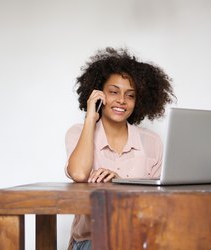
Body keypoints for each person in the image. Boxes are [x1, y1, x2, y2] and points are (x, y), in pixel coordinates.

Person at [64, 47, 175, 250]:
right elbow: (79, 173)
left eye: (130, 95)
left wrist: (119, 183)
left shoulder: (152, 141)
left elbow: (159, 205)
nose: (122, 100)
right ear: (99, 94)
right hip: (93, 240)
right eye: (113, 92)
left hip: (139, 239)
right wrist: (91, 117)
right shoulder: (78, 132)